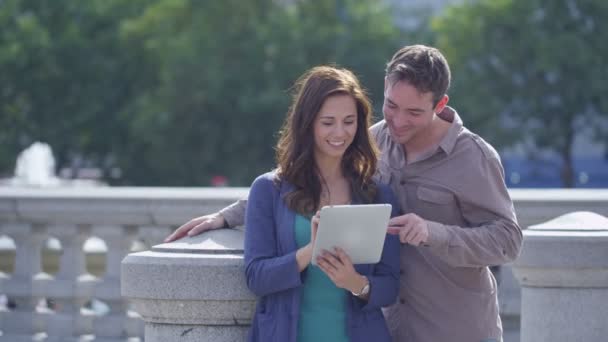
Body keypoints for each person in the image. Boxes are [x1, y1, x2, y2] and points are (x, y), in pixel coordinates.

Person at [165, 45, 522, 342]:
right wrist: (227, 216)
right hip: (389, 325)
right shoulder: (376, 139)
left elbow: (509, 240)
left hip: (455, 327)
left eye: (413, 112)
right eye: (391, 106)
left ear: (439, 105)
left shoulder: (473, 157)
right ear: (385, 87)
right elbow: (301, 178)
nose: (397, 121)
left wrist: (434, 232)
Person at [241, 66, 400, 341]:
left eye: (349, 121)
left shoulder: (378, 195)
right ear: (308, 122)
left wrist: (357, 284)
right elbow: (256, 278)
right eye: (328, 122)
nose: (340, 132)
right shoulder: (268, 190)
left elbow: (390, 286)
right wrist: (312, 251)